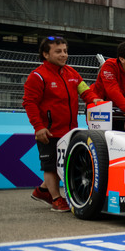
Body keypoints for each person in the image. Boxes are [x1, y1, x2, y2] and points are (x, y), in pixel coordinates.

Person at [22, 35, 101, 212]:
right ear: (45, 54)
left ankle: (42, 191)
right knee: (50, 167)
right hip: (48, 132)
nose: (63, 55)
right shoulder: (37, 76)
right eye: (58, 51)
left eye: (65, 51)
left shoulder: (72, 73)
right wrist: (39, 127)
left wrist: (96, 101)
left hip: (70, 131)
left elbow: (86, 92)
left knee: (63, 165)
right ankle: (57, 199)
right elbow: (29, 103)